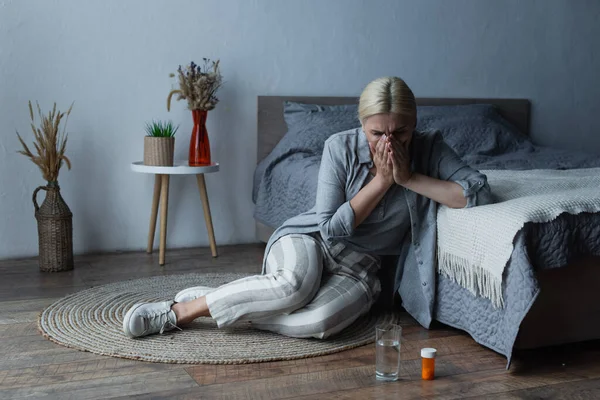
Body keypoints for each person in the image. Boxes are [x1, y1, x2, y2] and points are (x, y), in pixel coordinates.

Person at [122, 76, 493, 339]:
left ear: (415, 127)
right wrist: (382, 181)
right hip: (312, 239)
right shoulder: (339, 147)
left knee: (316, 324)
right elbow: (331, 227)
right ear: (361, 125)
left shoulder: (430, 147)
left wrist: (408, 178)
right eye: (377, 133)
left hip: (364, 266)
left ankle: (214, 299)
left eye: (400, 133)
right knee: (293, 289)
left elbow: (476, 192)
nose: (388, 143)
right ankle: (179, 312)